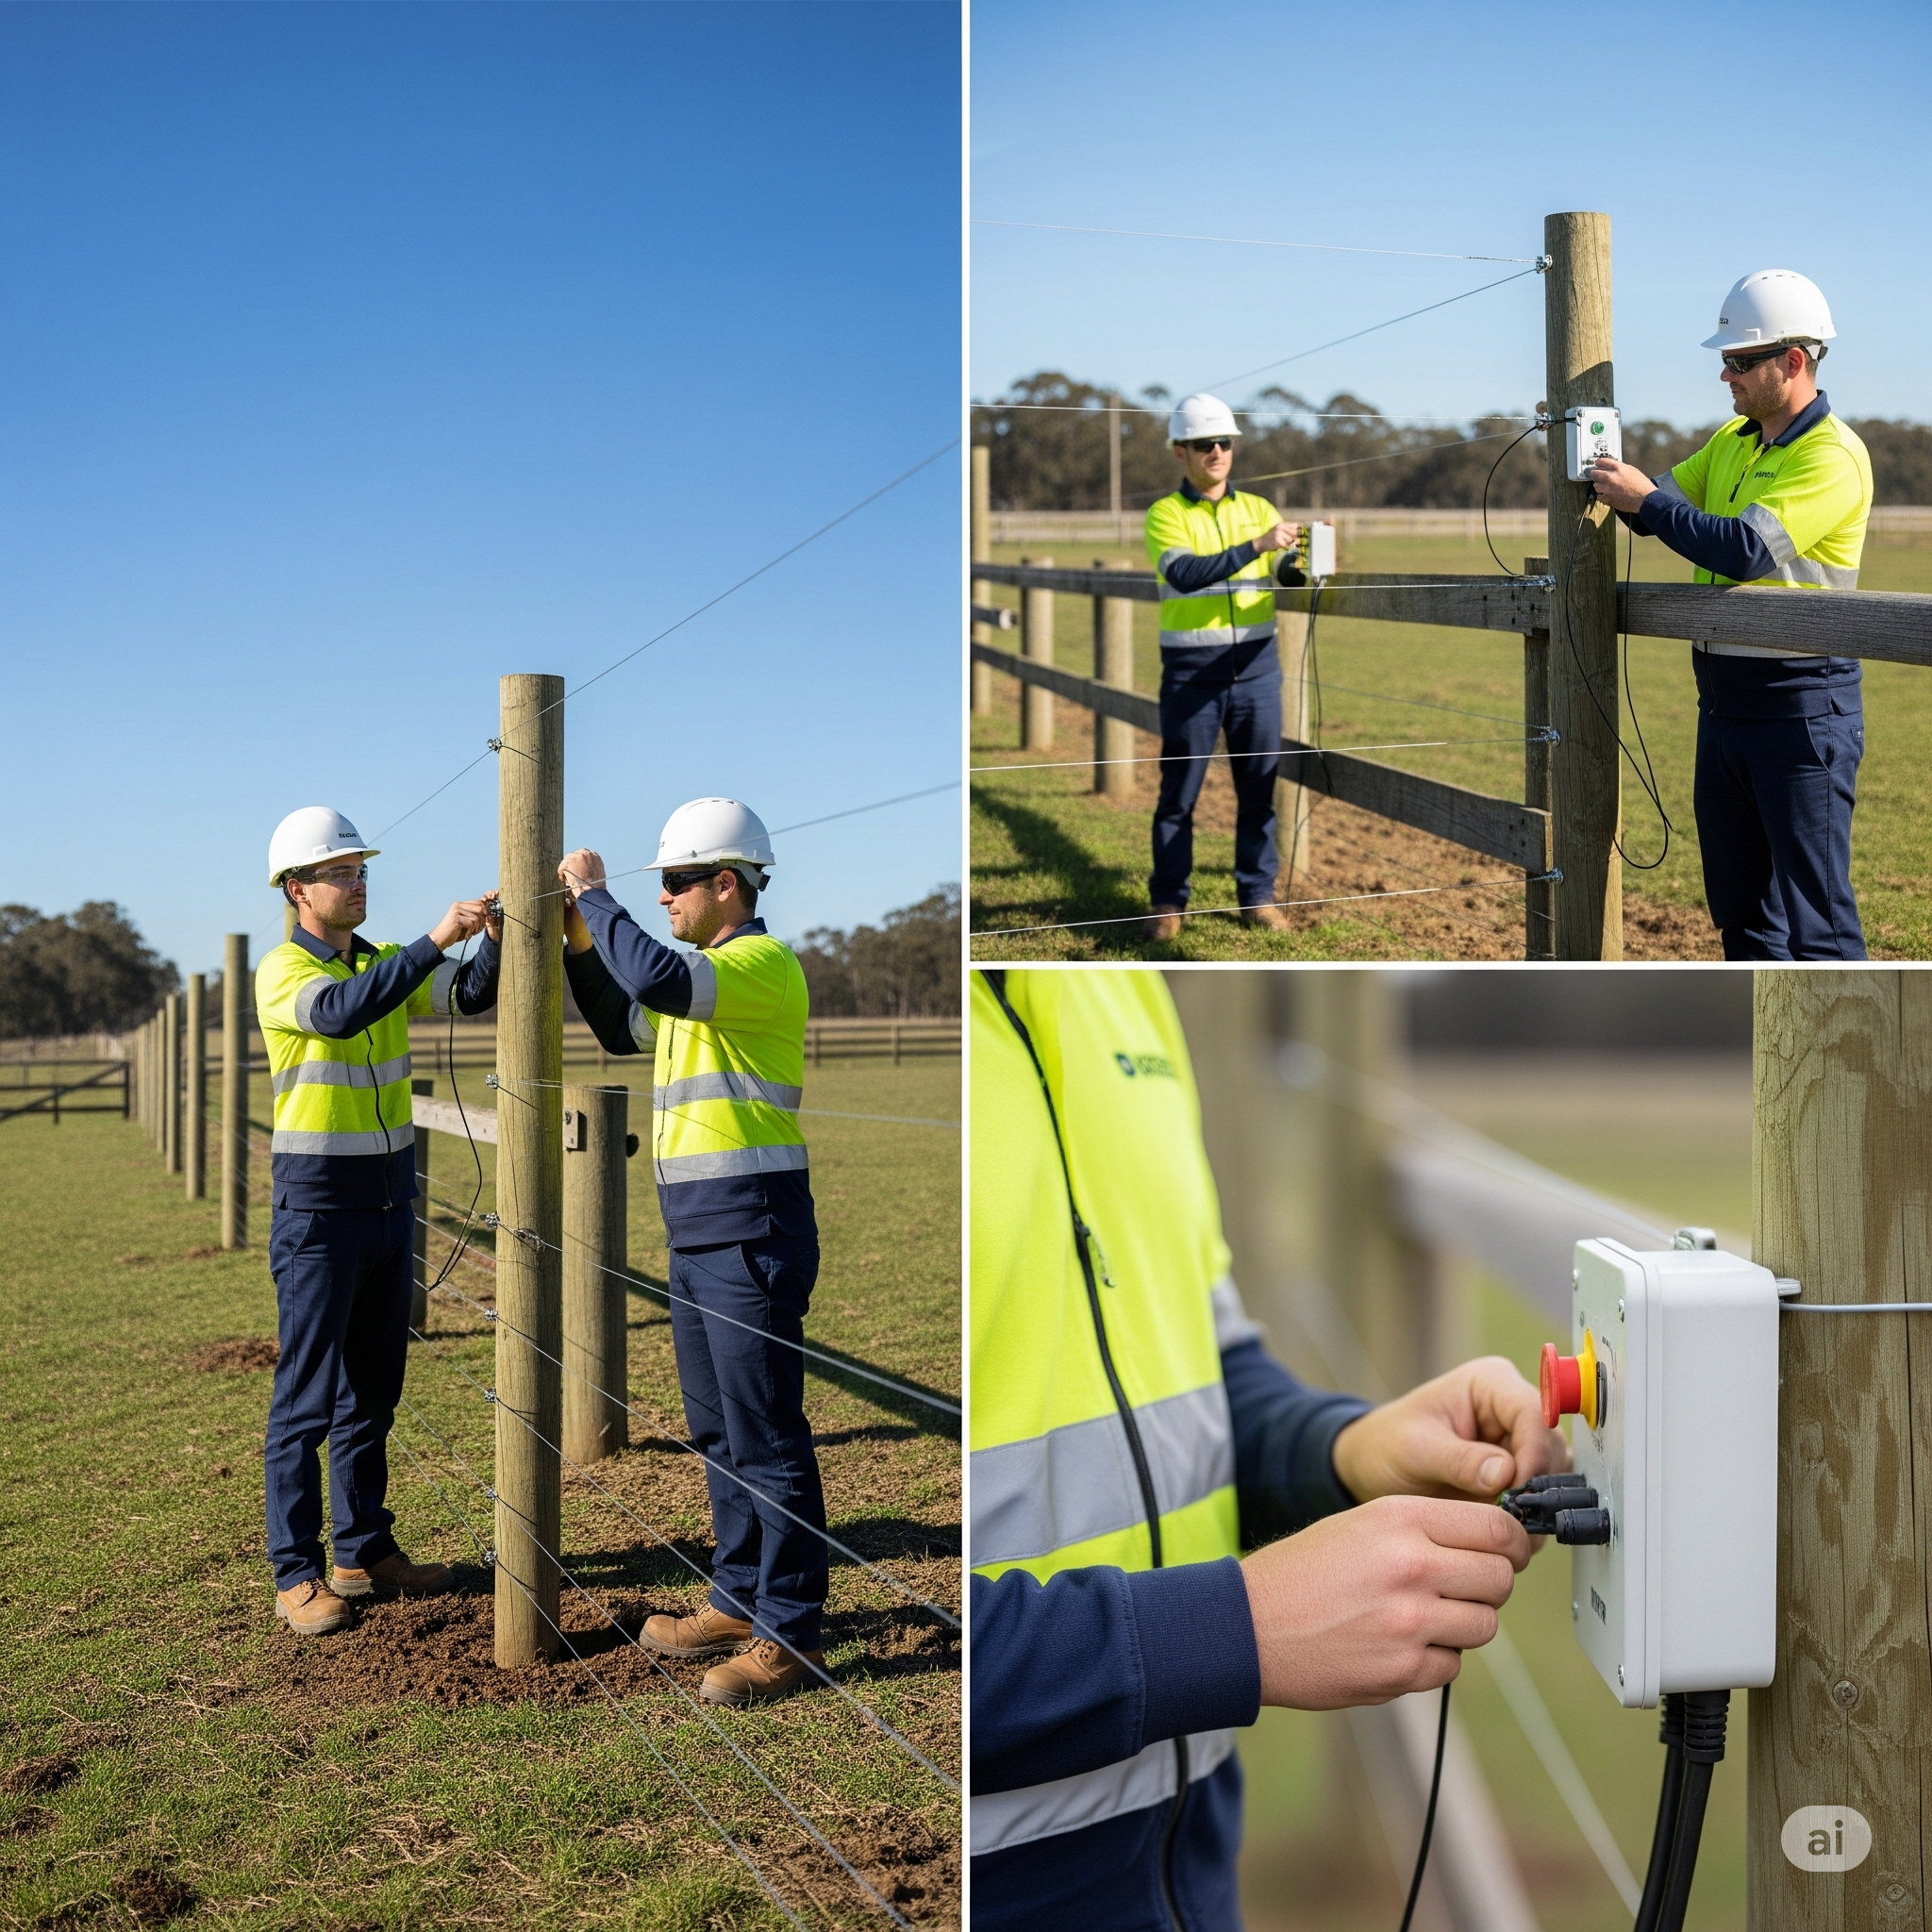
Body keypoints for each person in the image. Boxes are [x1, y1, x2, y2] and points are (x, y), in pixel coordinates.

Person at [969, 968, 1563, 1927]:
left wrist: (1342, 1448)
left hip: (1191, 1852)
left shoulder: (1117, 989)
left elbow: (1204, 1366)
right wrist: (1233, 1626)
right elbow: (895, 1641)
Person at [557, 797, 826, 1707]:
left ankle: (788, 1632)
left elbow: (658, 984)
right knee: (719, 1433)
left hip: (751, 1232)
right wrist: (575, 937)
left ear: (726, 884)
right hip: (698, 1234)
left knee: (767, 1436)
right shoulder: (700, 981)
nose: (664, 897)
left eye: (674, 882)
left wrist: (596, 898)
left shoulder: (757, 964)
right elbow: (619, 1020)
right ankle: (737, 1598)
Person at [254, 806, 502, 1636]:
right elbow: (340, 1012)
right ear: (298, 891)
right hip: (319, 1213)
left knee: (373, 1395)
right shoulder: (285, 974)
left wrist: (491, 940)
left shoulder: (387, 962)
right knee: (306, 1399)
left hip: (391, 1207)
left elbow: (467, 996)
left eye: (361, 871)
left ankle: (363, 1554)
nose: (358, 884)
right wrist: (435, 937)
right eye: (341, 873)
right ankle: (297, 1574)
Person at [1587, 269, 1874, 960]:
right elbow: (1657, 509)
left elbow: (1747, 550)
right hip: (1722, 706)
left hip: (1802, 708)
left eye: (1740, 361)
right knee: (1741, 917)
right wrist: (1608, 477)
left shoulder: (1830, 455)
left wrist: (1646, 502)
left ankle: (1856, 1068)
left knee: (1818, 923)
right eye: (1726, 361)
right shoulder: (1734, 440)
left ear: (1794, 362)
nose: (1726, 376)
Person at [1142, 392, 1308, 941]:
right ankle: (1169, 903)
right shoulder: (1166, 515)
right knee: (1179, 795)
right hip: (1193, 676)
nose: (1216, 451)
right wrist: (1257, 545)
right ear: (1180, 453)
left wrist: (1306, 556)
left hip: (1258, 673)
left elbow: (1286, 568)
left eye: (1224, 442)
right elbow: (1186, 573)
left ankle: (1257, 897)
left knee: (1258, 791)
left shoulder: (1259, 508)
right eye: (1203, 444)